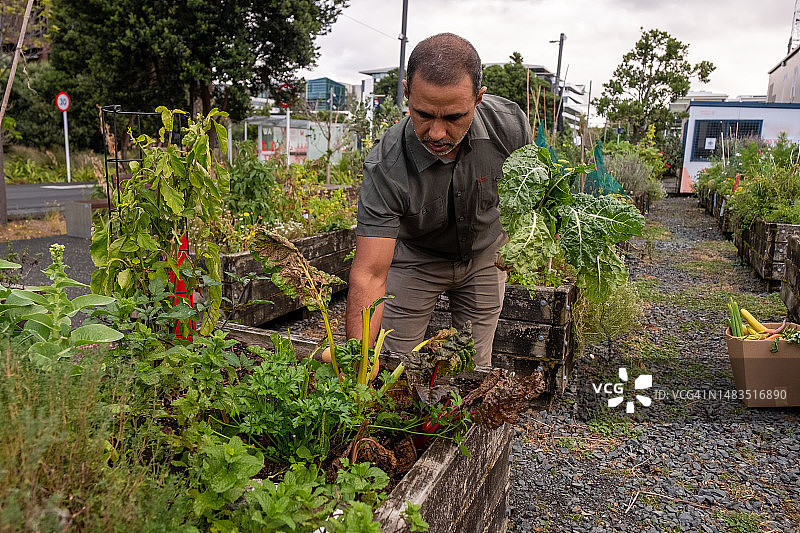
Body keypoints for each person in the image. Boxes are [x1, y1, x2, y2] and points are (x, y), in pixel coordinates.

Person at [345, 32, 532, 366]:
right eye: (424, 114)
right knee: (394, 365)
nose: (436, 133)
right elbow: (370, 274)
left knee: (473, 368)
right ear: (406, 93)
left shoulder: (510, 126)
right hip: (417, 258)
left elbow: (531, 192)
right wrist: (355, 358)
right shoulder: (387, 166)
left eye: (453, 117)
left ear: (478, 99)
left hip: (485, 256)